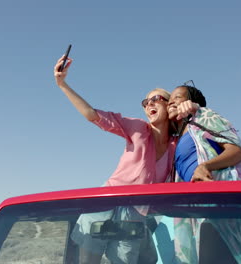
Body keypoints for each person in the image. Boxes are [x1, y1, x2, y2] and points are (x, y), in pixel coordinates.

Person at [54, 56, 176, 264]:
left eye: (156, 99)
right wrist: (62, 84)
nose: (149, 104)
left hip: (135, 215)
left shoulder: (176, 146)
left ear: (170, 106)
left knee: (125, 260)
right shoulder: (137, 128)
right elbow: (93, 115)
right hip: (106, 200)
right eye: (146, 102)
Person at [167, 84, 241, 263]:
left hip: (226, 207)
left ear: (190, 101)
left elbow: (236, 150)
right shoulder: (179, 136)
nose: (171, 102)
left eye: (177, 97)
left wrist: (206, 166)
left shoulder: (203, 116)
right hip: (204, 211)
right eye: (169, 99)